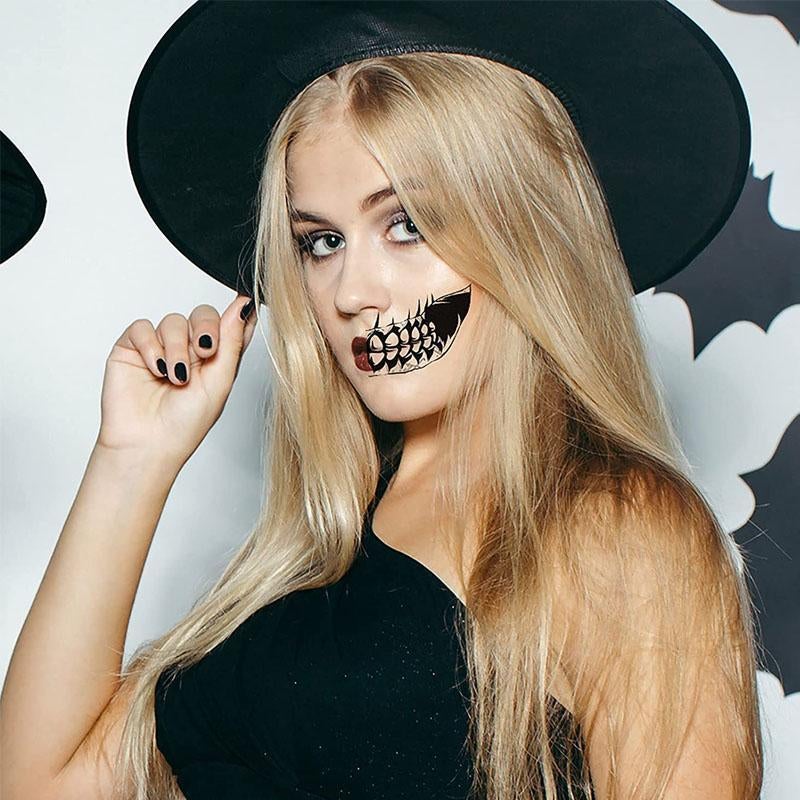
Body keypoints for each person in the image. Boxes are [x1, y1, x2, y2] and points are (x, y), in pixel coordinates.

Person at [1, 3, 764, 800]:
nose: (351, 293)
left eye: (406, 225)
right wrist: (133, 459)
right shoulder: (301, 560)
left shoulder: (615, 526)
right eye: (321, 242)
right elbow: (38, 784)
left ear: (525, 232)